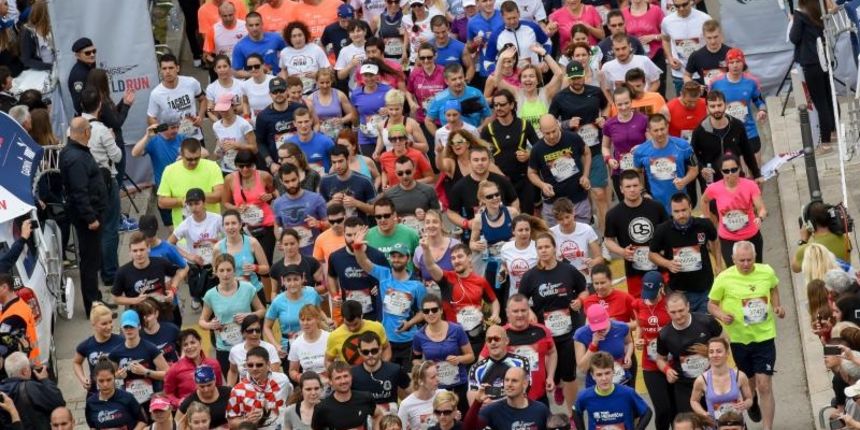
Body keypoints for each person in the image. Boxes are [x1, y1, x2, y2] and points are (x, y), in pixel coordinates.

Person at [708, 241, 784, 429]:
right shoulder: (724, 278)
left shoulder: (766, 271)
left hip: (764, 336)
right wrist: (721, 315)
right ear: (733, 259)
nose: (746, 264)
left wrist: (777, 306)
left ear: (755, 257)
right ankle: (753, 399)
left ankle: (767, 427)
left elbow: (774, 287)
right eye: (741, 260)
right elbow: (711, 304)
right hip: (739, 339)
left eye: (749, 260)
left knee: (764, 383)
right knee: (749, 383)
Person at [518, 232, 587, 411]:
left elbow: (584, 290)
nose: (544, 251)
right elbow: (520, 299)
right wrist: (530, 312)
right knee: (553, 374)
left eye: (547, 247)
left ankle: (573, 414)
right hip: (545, 334)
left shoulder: (568, 269)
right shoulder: (530, 276)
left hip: (569, 330)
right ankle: (557, 385)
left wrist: (580, 300)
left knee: (569, 373)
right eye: (540, 248)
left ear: (554, 248)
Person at [353, 227, 425, 369]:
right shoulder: (384, 275)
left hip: (409, 340)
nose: (396, 260)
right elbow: (364, 263)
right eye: (394, 256)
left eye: (400, 256)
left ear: (408, 258)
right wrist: (357, 247)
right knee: (389, 377)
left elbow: (424, 312)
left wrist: (409, 323)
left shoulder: (417, 285)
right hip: (387, 340)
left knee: (408, 379)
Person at [59, 116, 107, 317]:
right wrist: (90, 218)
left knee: (91, 260)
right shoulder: (76, 158)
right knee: (90, 262)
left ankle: (96, 299)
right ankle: (93, 306)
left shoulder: (73, 152)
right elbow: (79, 192)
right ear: (86, 132)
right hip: (88, 220)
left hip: (89, 215)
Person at [655, 292, 724, 416]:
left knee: (721, 419)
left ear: (688, 306)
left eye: (681, 310)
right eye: (673, 312)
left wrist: (711, 352)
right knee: (689, 423)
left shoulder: (706, 321)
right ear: (666, 310)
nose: (678, 316)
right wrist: (667, 370)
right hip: (685, 386)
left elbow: (724, 340)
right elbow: (660, 359)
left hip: (713, 380)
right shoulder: (664, 334)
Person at [649, 193, 719, 312]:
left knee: (704, 326)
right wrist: (668, 264)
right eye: (676, 211)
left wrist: (718, 263)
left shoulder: (704, 224)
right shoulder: (662, 230)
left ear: (691, 207)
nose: (681, 215)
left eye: (684, 210)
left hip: (704, 290)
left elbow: (715, 240)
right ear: (671, 211)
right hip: (679, 292)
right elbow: (652, 254)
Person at [603, 171, 668, 298]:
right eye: (628, 186)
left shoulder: (657, 207)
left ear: (641, 186)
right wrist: (622, 252)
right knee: (640, 308)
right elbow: (608, 240)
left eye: (635, 185)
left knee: (666, 306)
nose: (632, 190)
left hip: (661, 268)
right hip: (634, 272)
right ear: (621, 189)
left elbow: (668, 232)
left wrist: (665, 250)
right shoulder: (613, 214)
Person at [201, 252, 266, 373]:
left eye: (228, 270)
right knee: (232, 386)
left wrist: (248, 316)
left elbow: (262, 311)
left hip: (249, 343)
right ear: (216, 272)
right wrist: (210, 325)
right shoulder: (210, 295)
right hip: (225, 348)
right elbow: (201, 322)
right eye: (221, 270)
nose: (225, 274)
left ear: (234, 270)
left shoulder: (247, 288)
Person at [480, 88, 540, 216]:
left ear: (512, 105)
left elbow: (539, 148)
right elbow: (483, 158)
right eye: (495, 105)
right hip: (501, 181)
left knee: (526, 217)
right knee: (505, 217)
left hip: (524, 179)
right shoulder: (488, 130)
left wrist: (529, 154)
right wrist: (501, 176)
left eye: (502, 104)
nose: (498, 108)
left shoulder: (524, 124)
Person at [411, 295, 474, 412]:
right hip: (436, 387)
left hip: (459, 385)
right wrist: (426, 367)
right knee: (442, 419)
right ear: (423, 314)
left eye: (434, 310)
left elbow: (471, 356)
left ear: (441, 310)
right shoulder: (418, 336)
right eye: (426, 311)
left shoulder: (456, 330)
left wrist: (459, 359)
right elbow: (415, 360)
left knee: (462, 420)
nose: (430, 313)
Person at [701, 154, 767, 266]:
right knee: (735, 274)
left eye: (734, 170)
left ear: (739, 169)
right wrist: (708, 221)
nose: (730, 174)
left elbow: (762, 208)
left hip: (751, 236)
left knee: (755, 270)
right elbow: (704, 200)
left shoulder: (750, 185)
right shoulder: (714, 188)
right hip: (728, 240)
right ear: (721, 172)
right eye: (726, 171)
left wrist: (760, 218)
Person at [528, 114, 591, 226]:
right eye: (547, 133)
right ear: (541, 131)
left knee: (582, 236)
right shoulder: (537, 149)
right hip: (553, 203)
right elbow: (531, 173)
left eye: (554, 131)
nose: (552, 136)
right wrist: (542, 185)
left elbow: (587, 153)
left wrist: (585, 175)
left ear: (558, 125)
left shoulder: (573, 138)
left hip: (578, 198)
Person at [790, 0, 836, 147]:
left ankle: (826, 141)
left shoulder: (800, 13)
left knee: (820, 102)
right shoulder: (820, 7)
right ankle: (833, 131)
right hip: (825, 57)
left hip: (811, 61)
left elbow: (794, 37)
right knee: (829, 97)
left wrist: (792, 20)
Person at [708, 48, 767, 164]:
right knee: (737, 174)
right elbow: (708, 106)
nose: (735, 65)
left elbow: (759, 101)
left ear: (743, 63)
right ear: (727, 64)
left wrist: (762, 111)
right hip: (727, 133)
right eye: (731, 62)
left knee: (756, 172)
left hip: (749, 131)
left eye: (738, 61)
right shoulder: (716, 83)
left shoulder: (752, 81)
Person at [168, 188, 223, 309]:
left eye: (197, 203)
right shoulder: (186, 224)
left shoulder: (217, 219)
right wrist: (190, 256)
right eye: (190, 204)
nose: (194, 207)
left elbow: (229, 238)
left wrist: (219, 248)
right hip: (198, 268)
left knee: (221, 300)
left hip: (216, 265)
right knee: (207, 304)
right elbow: (169, 244)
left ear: (204, 203)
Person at [327, 217, 390, 321]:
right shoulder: (335, 257)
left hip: (374, 314)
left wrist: (380, 286)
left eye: (356, 234)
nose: (353, 239)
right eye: (349, 235)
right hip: (349, 315)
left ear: (364, 233)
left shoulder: (378, 256)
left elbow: (390, 280)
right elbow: (331, 276)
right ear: (343, 234)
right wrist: (335, 295)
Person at [448, 146, 519, 239]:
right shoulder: (460, 187)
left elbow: (515, 200)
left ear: (489, 161)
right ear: (470, 162)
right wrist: (466, 223)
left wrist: (510, 218)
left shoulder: (501, 180)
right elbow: (451, 212)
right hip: (477, 239)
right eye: (476, 160)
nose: (480, 163)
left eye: (483, 159)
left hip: (505, 236)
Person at [632, 272, 673, 430]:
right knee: (662, 409)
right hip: (650, 363)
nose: (648, 298)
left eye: (653, 293)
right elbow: (639, 325)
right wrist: (639, 339)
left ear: (661, 288)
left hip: (671, 361)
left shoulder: (670, 305)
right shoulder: (638, 304)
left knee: (674, 409)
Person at [633, 114, 699, 213]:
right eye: (655, 130)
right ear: (649, 131)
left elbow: (694, 169)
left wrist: (684, 181)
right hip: (655, 204)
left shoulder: (683, 146)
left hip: (680, 202)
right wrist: (643, 192)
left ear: (667, 127)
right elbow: (636, 173)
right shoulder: (640, 151)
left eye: (662, 129)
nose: (660, 133)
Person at [111, 232, 181, 323]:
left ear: (148, 248)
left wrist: (172, 290)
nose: (139, 254)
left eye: (142, 249)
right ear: (130, 252)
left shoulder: (160, 263)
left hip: (163, 315)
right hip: (140, 319)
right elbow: (115, 298)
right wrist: (135, 300)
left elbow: (177, 273)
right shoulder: (122, 272)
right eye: (135, 251)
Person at [572, 352, 653, 430]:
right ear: (592, 375)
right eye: (599, 374)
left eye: (607, 373)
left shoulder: (627, 393)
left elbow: (647, 412)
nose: (604, 378)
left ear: (613, 372)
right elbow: (576, 411)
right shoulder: (585, 396)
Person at [157, 138, 225, 228]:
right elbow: (162, 202)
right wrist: (182, 201)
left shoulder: (212, 166)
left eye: (197, 158)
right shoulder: (169, 170)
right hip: (184, 232)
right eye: (189, 159)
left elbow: (220, 196)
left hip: (212, 228)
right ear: (181, 154)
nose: (193, 162)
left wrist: (197, 196)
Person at [109, 309, 170, 409]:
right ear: (121, 328)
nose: (129, 330)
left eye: (132, 326)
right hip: (129, 401)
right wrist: (118, 376)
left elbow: (168, 374)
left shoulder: (150, 348)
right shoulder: (115, 353)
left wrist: (146, 372)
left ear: (139, 327)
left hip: (151, 399)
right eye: (126, 327)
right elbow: (108, 377)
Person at [689, 337, 754, 427]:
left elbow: (749, 399)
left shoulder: (739, 376)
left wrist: (745, 404)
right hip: (714, 426)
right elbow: (694, 401)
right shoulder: (702, 380)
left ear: (727, 354)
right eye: (711, 352)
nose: (715, 355)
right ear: (708, 355)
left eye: (719, 351)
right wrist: (704, 414)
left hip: (737, 426)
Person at [264, 264, 322, 359]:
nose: (292, 283)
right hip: (289, 347)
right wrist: (276, 345)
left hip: (313, 343)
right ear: (283, 282)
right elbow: (267, 327)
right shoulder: (278, 301)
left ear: (302, 279)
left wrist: (327, 322)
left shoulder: (312, 293)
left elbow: (319, 313)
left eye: (296, 279)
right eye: (289, 280)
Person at [227, 346, 292, 430]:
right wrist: (246, 420)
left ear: (268, 364)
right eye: (250, 365)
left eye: (259, 365)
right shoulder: (238, 390)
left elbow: (290, 401)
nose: (254, 368)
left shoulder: (283, 380)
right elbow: (231, 422)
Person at [214, 209, 271, 301]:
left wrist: (255, 268)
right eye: (227, 224)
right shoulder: (218, 248)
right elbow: (215, 271)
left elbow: (266, 268)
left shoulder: (252, 242)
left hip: (254, 291)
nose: (230, 227)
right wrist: (230, 277)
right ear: (223, 227)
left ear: (240, 225)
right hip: (232, 295)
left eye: (234, 223)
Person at [147, 54, 206, 141]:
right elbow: (150, 118)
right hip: (173, 141)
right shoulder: (156, 93)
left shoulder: (191, 82)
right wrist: (163, 131)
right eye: (164, 68)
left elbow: (203, 99)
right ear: (160, 71)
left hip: (194, 136)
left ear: (177, 68)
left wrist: (200, 117)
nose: (167, 71)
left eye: (171, 68)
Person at [574, 304, 635, 388]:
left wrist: (628, 355)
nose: (600, 329)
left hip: (621, 382)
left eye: (603, 325)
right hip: (596, 387)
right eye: (596, 327)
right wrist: (593, 344)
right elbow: (582, 368)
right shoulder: (581, 334)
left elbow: (628, 343)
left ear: (608, 317)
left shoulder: (622, 327)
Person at [0, 351, 65, 429]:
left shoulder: (2, 392)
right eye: (29, 368)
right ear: (24, 372)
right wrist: (45, 380)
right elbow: (59, 402)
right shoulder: (30, 387)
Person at [472, 367, 550, 430]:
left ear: (525, 384)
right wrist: (477, 402)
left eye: (514, 381)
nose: (509, 384)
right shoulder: (492, 410)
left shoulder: (540, 409)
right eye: (506, 380)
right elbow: (469, 428)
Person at [466, 325, 529, 403]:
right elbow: (473, 400)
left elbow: (523, 392)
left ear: (506, 341)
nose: (493, 342)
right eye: (489, 340)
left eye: (497, 339)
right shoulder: (476, 368)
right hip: (488, 413)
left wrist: (494, 404)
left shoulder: (521, 362)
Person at [313, 360, 383, 430]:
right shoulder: (322, 408)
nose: (343, 381)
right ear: (330, 381)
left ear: (351, 377)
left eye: (345, 376)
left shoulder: (365, 398)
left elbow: (378, 415)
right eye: (338, 378)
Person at [425, 63, 492, 135]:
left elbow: (488, 116)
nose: (458, 82)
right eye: (454, 79)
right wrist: (440, 137)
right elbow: (428, 121)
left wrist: (480, 129)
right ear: (446, 81)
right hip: (450, 142)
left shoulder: (476, 94)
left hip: (474, 140)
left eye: (460, 78)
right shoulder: (439, 99)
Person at [351, 332, 411, 412]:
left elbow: (414, 393)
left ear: (380, 349)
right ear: (359, 351)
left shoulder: (395, 369)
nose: (370, 355)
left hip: (391, 421)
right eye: (365, 352)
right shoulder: (352, 374)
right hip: (365, 420)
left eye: (374, 350)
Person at [660, 0, 710, 94]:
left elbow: (714, 40)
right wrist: (670, 58)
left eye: (684, 4)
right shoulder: (667, 21)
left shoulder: (705, 18)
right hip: (680, 72)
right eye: (677, 6)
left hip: (703, 72)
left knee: (707, 106)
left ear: (691, 2)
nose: (681, 8)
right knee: (684, 106)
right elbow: (665, 40)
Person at [73, 303, 124, 396]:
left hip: (118, 393)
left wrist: (122, 373)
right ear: (94, 324)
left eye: (110, 322)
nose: (109, 327)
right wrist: (83, 379)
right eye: (104, 324)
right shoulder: (86, 345)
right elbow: (76, 363)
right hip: (95, 394)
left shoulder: (121, 341)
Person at [164, 330, 223, 405]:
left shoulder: (214, 364)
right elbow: (168, 393)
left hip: (212, 408)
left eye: (193, 342)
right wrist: (178, 402)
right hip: (188, 412)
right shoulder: (175, 369)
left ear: (200, 342)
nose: (190, 347)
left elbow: (219, 388)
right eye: (185, 345)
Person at [84, 357, 145, 430]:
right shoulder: (91, 402)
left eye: (109, 380)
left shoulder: (128, 398)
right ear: (95, 379)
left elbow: (142, 421)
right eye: (101, 381)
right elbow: (92, 426)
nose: (105, 384)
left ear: (114, 377)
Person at [550, 197, 602, 282]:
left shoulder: (586, 229)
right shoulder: (551, 233)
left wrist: (592, 262)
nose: (565, 222)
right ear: (556, 219)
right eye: (560, 219)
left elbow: (599, 258)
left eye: (567, 217)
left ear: (574, 212)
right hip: (562, 279)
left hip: (585, 277)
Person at [326, 300, 391, 365]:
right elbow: (328, 361)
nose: (352, 328)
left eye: (355, 324)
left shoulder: (377, 327)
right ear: (343, 318)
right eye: (348, 325)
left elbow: (386, 348)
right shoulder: (334, 336)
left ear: (361, 316)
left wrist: (383, 367)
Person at [793, 200, 852, 272]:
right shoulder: (845, 239)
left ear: (810, 225)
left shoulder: (809, 249)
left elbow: (795, 268)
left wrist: (803, 240)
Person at [413, 210, 461, 294]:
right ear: (424, 226)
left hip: (455, 294)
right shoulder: (419, 250)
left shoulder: (455, 245)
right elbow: (418, 276)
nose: (431, 225)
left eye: (435, 222)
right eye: (427, 222)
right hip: (430, 299)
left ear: (441, 224)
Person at [227, 314, 283, 385]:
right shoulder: (235, 350)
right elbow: (233, 371)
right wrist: (229, 388)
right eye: (250, 331)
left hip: (266, 390)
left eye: (257, 330)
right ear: (243, 333)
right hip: (245, 392)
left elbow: (275, 375)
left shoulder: (269, 348)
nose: (254, 333)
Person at [383, 156, 441, 223]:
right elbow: (385, 218)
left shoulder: (428, 190)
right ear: (396, 173)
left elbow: (438, 215)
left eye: (408, 172)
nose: (404, 176)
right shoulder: (389, 194)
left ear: (414, 171)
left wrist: (426, 215)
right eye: (400, 173)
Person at [280, 22, 330, 95]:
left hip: (316, 92)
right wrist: (286, 82)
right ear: (289, 38)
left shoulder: (315, 49)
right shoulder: (284, 52)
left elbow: (328, 70)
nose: (298, 39)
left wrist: (317, 75)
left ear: (305, 35)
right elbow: (283, 70)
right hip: (294, 95)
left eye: (300, 35)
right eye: (294, 36)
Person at [211, 92, 256, 174]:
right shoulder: (216, 126)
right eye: (221, 110)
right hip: (226, 169)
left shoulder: (244, 125)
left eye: (226, 109)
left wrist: (238, 146)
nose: (223, 112)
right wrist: (218, 151)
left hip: (244, 168)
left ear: (233, 106)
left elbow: (255, 149)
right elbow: (218, 149)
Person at [231, 12, 286, 77]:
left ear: (262, 24)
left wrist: (283, 71)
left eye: (257, 25)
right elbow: (236, 71)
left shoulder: (275, 38)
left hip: (276, 80)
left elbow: (288, 53)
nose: (254, 28)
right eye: (251, 25)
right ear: (246, 26)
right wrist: (254, 73)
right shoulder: (240, 47)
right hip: (255, 83)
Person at [287, 305, 331, 383]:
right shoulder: (296, 344)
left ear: (317, 319)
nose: (305, 323)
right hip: (309, 386)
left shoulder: (329, 338)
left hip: (330, 383)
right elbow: (292, 370)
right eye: (302, 320)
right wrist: (302, 378)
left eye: (309, 319)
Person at [399, 360, 446, 429]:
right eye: (433, 377)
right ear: (421, 381)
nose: (438, 379)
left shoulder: (443, 394)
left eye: (437, 375)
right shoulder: (406, 405)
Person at [312, 70, 357, 141]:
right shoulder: (311, 98)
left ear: (331, 81)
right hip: (320, 136)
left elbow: (352, 114)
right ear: (316, 82)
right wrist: (316, 122)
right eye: (322, 83)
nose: (325, 85)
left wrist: (341, 120)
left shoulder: (340, 95)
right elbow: (307, 120)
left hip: (339, 135)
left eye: (327, 82)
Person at [683, 19, 730, 86]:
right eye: (709, 38)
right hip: (706, 95)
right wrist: (693, 88)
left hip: (728, 95)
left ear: (720, 35)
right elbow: (686, 76)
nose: (713, 41)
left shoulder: (730, 53)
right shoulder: (696, 56)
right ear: (704, 37)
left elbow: (745, 74)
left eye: (715, 37)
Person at [202, 3, 248, 68]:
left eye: (230, 15)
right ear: (219, 15)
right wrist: (219, 65)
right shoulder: (213, 30)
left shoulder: (246, 26)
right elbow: (206, 55)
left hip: (244, 67)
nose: (228, 18)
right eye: (225, 16)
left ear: (235, 12)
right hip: (224, 71)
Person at [137, 298, 181, 363]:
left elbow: (184, 348)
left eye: (148, 315)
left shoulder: (172, 329)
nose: (145, 319)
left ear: (156, 314)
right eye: (142, 315)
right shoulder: (138, 337)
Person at [68, 37, 96, 114]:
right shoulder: (79, 75)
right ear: (77, 55)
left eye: (94, 51)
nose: (92, 54)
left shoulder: (90, 65)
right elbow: (78, 103)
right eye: (87, 53)